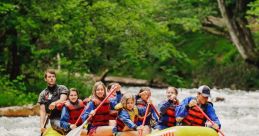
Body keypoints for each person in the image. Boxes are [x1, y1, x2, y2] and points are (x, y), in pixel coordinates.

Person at [37, 69, 69, 134]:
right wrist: (41, 126)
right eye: (49, 77)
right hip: (55, 119)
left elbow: (63, 99)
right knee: (66, 128)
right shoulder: (42, 94)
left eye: (53, 76)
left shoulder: (62, 88)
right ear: (45, 79)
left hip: (67, 116)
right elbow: (43, 111)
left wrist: (55, 103)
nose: (52, 78)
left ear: (55, 78)